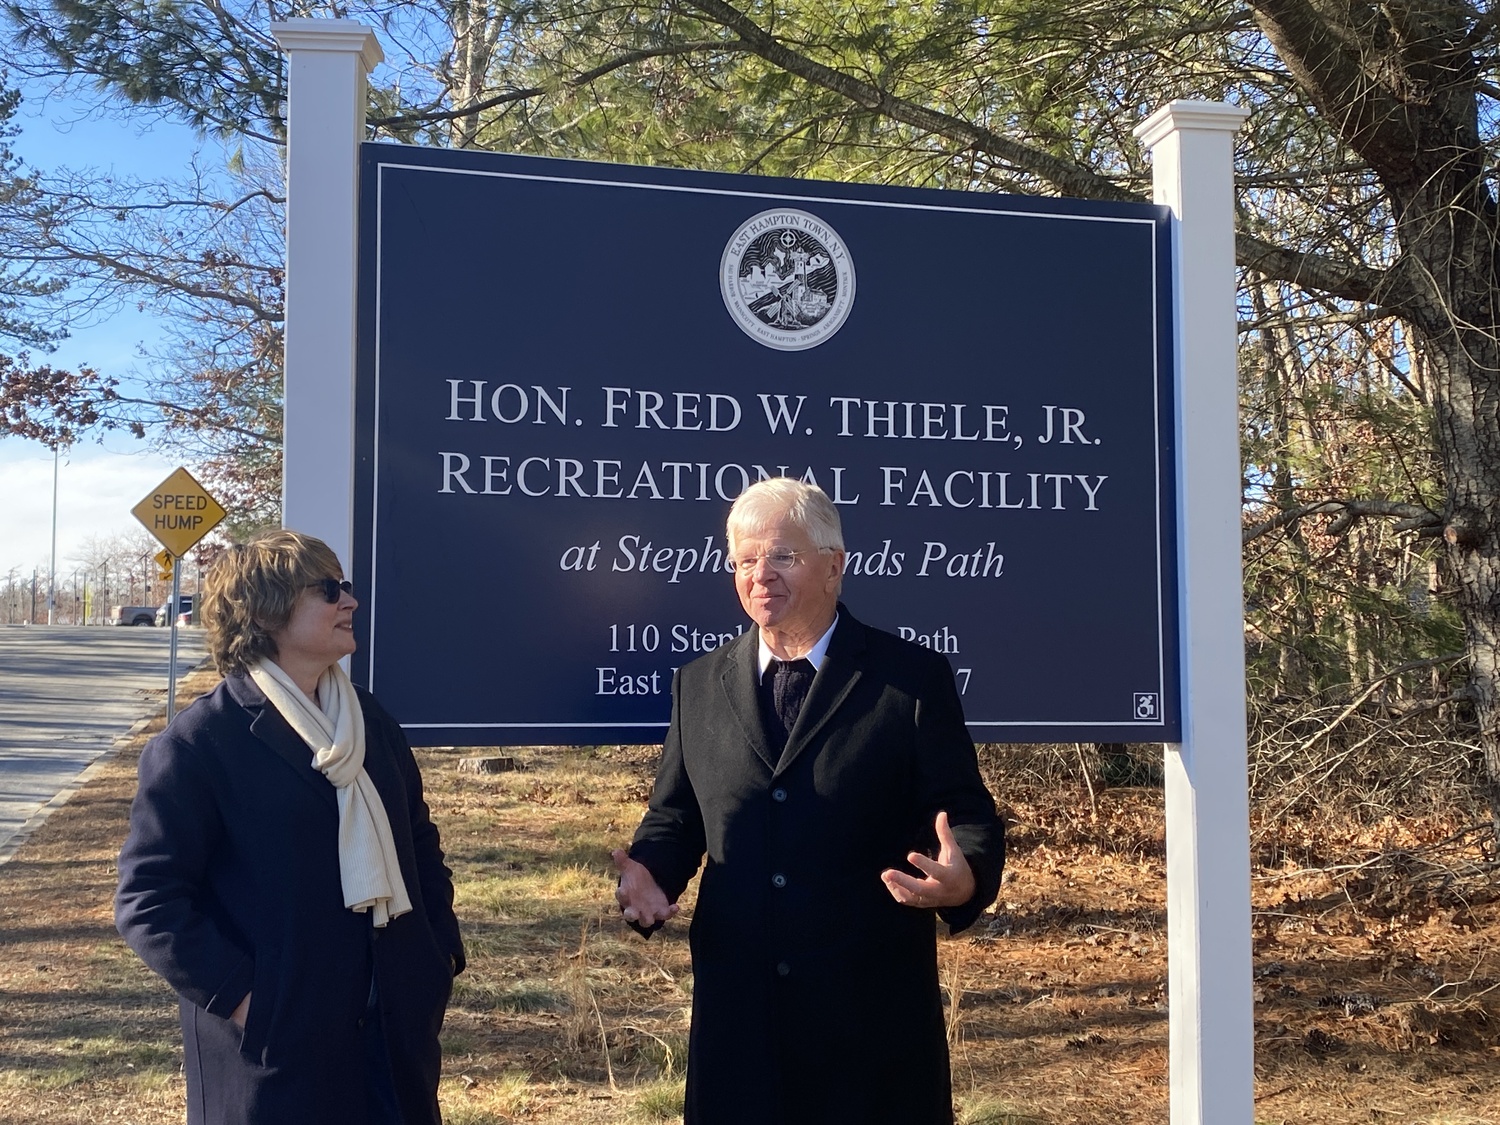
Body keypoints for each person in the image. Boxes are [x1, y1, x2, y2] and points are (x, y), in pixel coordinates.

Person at [612, 478, 1005, 1125]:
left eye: (782, 556)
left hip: (870, 1036)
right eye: (744, 560)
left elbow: (966, 814)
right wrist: (650, 870)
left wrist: (964, 876)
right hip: (740, 1035)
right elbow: (677, 814)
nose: (759, 574)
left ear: (834, 565)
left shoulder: (908, 680)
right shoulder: (699, 685)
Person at [115, 530, 465, 1125]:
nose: (349, 601)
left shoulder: (369, 722)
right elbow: (149, 901)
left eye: (347, 587)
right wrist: (251, 1002)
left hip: (391, 1039)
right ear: (266, 611)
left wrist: (437, 958)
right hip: (274, 1058)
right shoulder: (200, 745)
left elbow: (420, 845)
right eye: (328, 590)